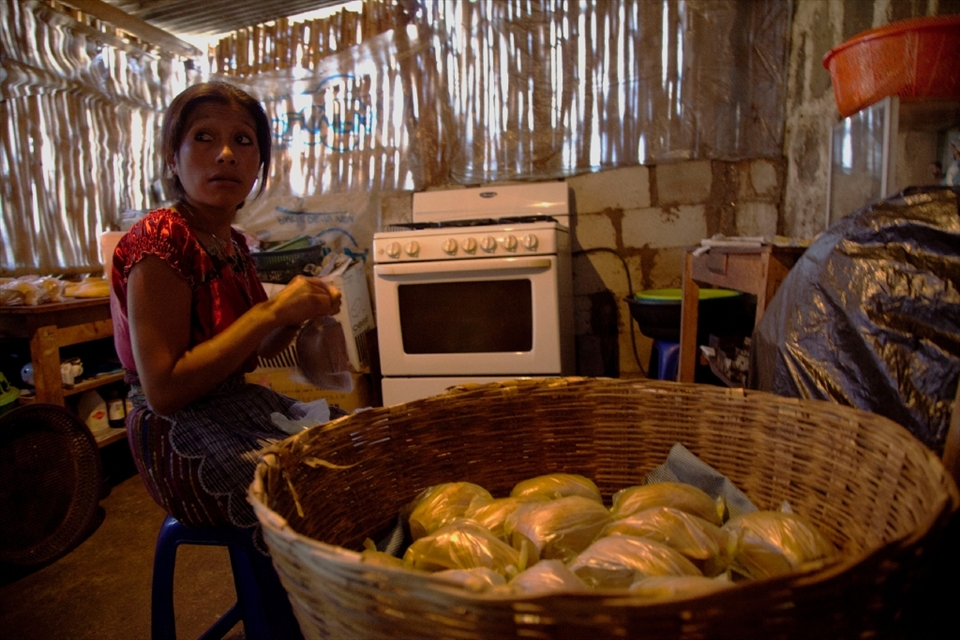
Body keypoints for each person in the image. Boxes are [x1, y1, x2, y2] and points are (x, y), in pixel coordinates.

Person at [110, 81, 342, 638]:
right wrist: (267, 315)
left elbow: (246, 356)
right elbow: (164, 389)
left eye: (243, 141)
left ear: (259, 162)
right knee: (299, 488)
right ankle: (293, 622)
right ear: (173, 156)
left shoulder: (234, 243)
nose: (225, 154)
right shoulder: (160, 241)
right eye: (203, 138)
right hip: (172, 433)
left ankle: (317, 611)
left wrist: (292, 314)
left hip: (229, 404)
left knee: (341, 445)